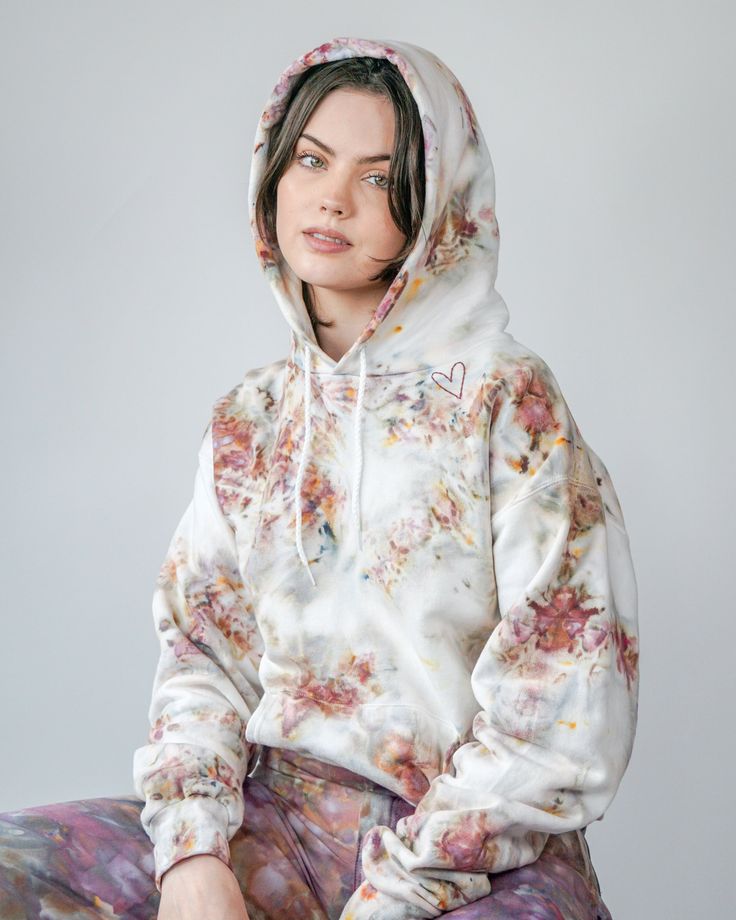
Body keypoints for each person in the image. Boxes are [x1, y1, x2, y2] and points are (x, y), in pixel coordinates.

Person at [0, 36, 639, 920]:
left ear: (435, 204)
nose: (333, 197)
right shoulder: (251, 419)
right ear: (273, 175)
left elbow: (562, 709)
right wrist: (193, 853)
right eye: (311, 159)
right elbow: (203, 657)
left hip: (478, 856)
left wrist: (401, 891)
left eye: (379, 177)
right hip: (278, 824)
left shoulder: (506, 401)